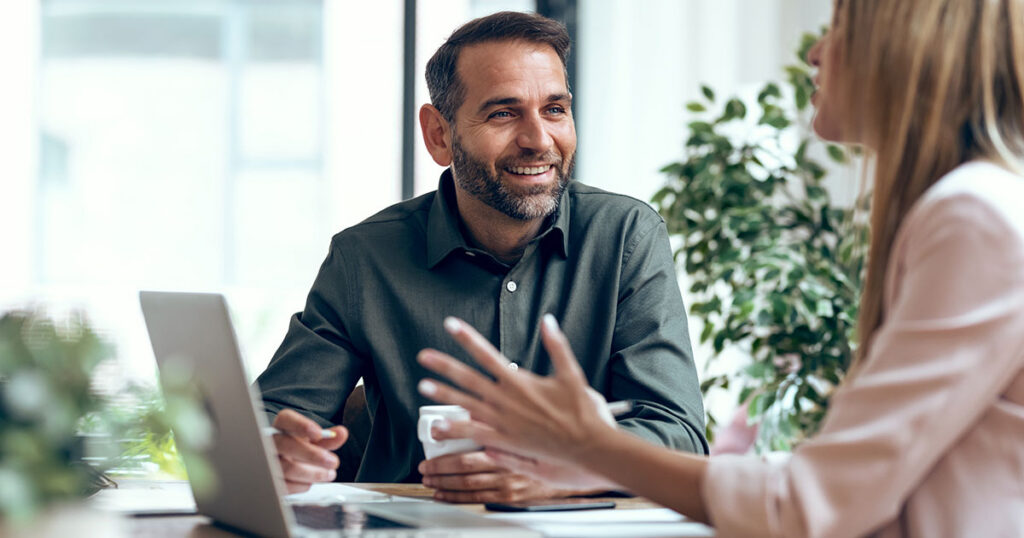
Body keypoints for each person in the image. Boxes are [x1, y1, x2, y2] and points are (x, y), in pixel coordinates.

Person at [415, 0, 1024, 535]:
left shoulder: (975, 218)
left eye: (839, 26)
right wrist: (590, 458)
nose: (815, 52)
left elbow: (808, 506)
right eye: (502, 113)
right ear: (439, 134)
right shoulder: (968, 209)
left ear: (907, 48)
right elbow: (848, 481)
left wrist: (592, 449)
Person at [255, 11, 707, 502]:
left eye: (555, 109)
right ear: (439, 135)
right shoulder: (364, 257)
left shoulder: (626, 237)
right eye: (503, 114)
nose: (539, 140)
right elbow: (271, 415)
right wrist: (277, 449)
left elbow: (678, 433)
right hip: (409, 524)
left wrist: (565, 469)